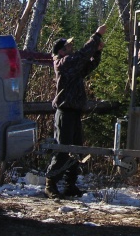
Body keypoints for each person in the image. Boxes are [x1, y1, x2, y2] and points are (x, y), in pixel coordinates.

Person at [45, 24, 106, 199]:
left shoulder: (72, 66)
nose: (72, 47)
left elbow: (88, 66)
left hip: (74, 112)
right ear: (61, 51)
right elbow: (81, 56)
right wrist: (96, 36)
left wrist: (97, 52)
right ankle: (50, 183)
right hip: (64, 112)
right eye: (68, 46)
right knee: (62, 149)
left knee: (76, 149)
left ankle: (70, 184)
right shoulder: (63, 63)